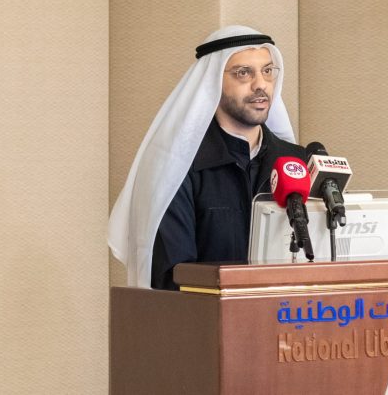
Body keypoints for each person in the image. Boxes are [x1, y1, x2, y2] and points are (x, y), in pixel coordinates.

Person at [108, 25, 304, 289]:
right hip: (204, 313)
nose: (261, 84)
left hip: (289, 314)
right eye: (243, 73)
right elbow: (173, 277)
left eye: (267, 71)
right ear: (212, 81)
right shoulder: (177, 168)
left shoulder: (295, 163)